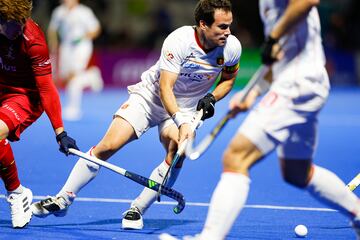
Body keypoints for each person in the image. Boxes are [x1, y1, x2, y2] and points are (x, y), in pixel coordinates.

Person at [31, 0, 241, 231]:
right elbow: (165, 88)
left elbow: (229, 79)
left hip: (188, 107)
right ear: (203, 24)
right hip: (150, 99)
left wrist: (212, 98)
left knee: (175, 152)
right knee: (108, 145)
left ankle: (137, 208)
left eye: (229, 26)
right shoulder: (179, 41)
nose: (228, 32)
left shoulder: (231, 47)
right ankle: (63, 199)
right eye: (222, 27)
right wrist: (181, 122)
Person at [160, 0, 360, 239]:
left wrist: (273, 37)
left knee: (236, 157)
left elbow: (307, 1)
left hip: (298, 83)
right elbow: (280, 56)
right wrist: (251, 93)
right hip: (302, 80)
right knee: (298, 172)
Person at [0, 0, 79, 229]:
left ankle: (16, 193)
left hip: (24, 97)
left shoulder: (33, 41)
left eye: (18, 23)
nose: (13, 29)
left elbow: (46, 87)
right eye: (8, 23)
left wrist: (60, 131)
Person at [48, 0, 103, 121]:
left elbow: (96, 29)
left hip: (82, 46)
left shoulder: (84, 12)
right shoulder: (59, 12)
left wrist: (83, 38)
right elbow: (52, 29)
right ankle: (91, 75)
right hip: (66, 47)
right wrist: (53, 43)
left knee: (75, 76)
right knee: (66, 76)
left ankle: (74, 109)